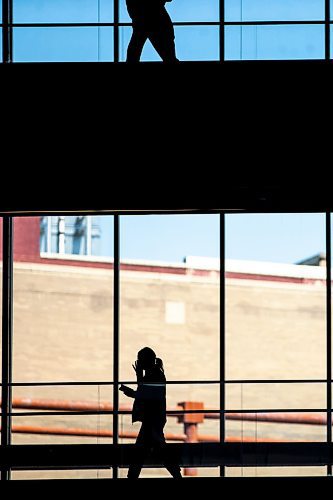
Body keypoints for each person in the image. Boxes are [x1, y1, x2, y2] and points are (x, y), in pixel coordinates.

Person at [120, 347, 182, 478]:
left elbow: (145, 394)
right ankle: (176, 473)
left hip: (152, 419)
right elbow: (146, 392)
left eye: (140, 359)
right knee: (157, 448)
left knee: (142, 451)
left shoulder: (154, 375)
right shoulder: (156, 373)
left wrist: (132, 391)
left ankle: (132, 476)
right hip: (154, 418)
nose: (138, 362)